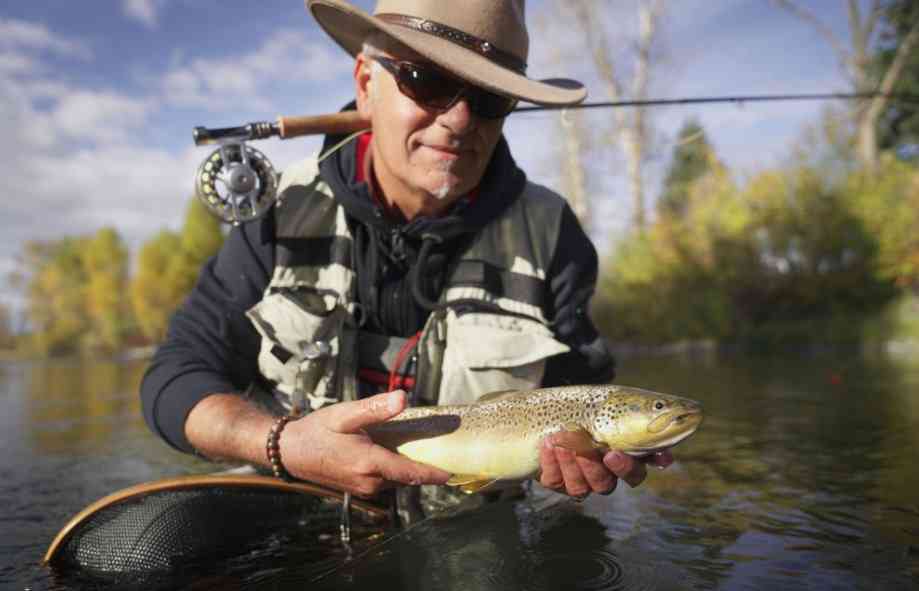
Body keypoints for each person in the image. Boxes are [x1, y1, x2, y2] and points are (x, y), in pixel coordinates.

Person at [140, 0, 673, 509]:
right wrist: (281, 443)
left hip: (466, 526)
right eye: (427, 80)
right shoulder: (281, 211)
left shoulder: (553, 234)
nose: (459, 119)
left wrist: (584, 467)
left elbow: (582, 398)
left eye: (490, 98)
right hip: (298, 504)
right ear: (365, 84)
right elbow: (175, 377)